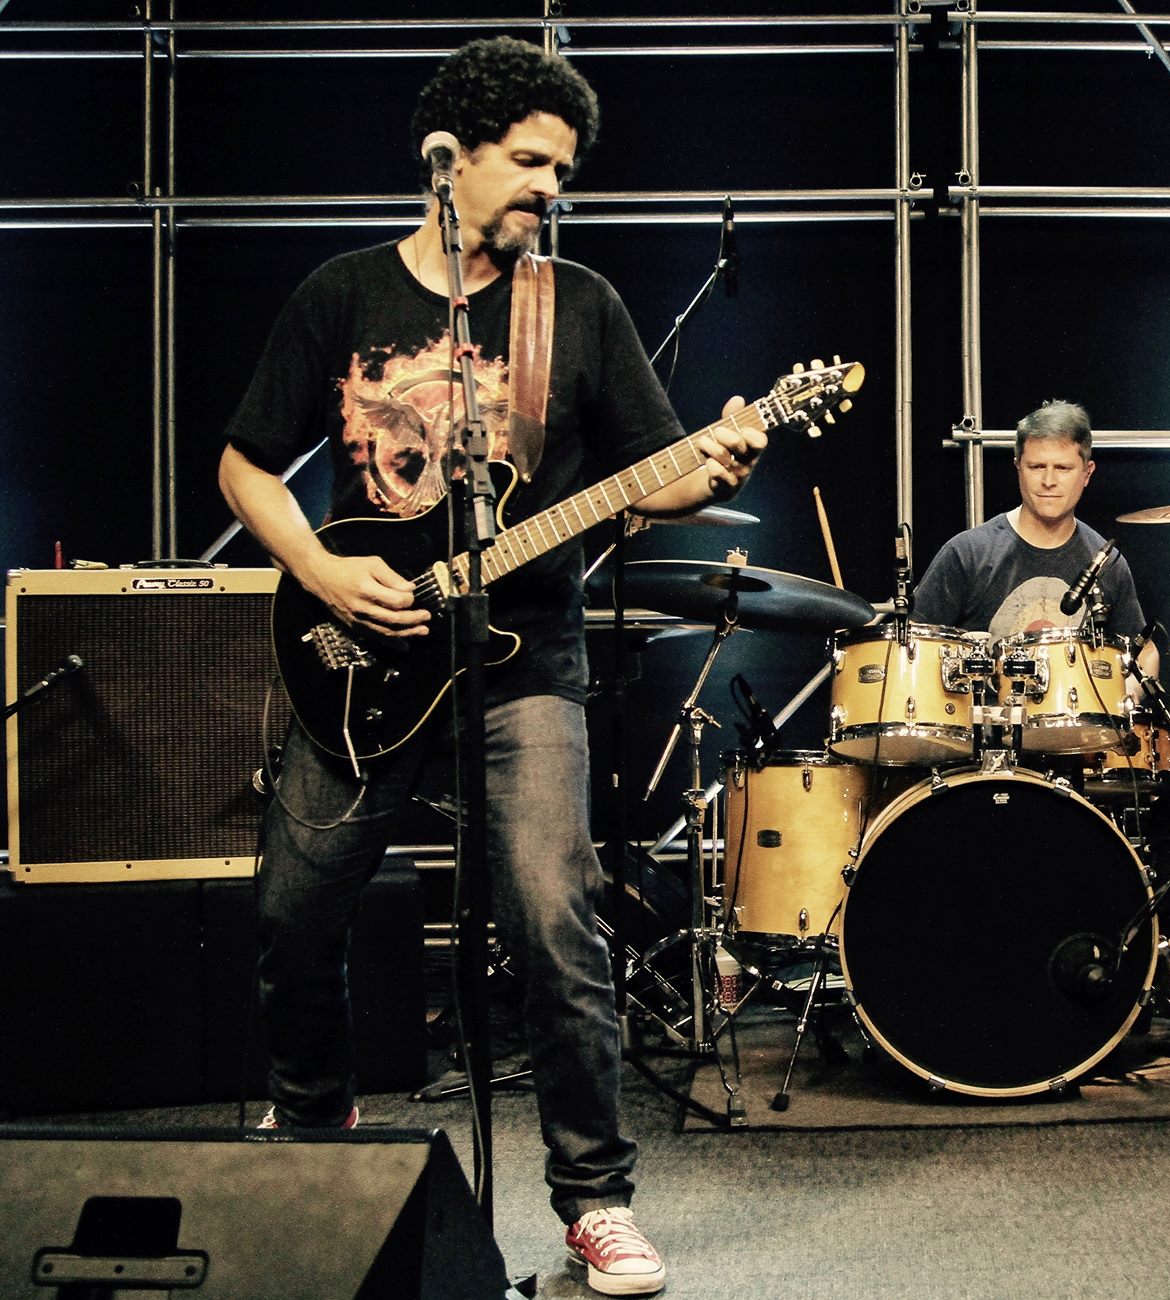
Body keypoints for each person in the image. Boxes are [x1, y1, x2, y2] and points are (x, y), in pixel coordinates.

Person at [218, 37, 764, 1297]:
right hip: (360, 655)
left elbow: (654, 473)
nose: (547, 189)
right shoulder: (342, 294)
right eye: (527, 162)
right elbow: (246, 463)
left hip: (524, 663)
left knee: (556, 921)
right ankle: (315, 1123)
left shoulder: (578, 306)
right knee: (292, 914)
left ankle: (595, 1198)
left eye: (561, 170)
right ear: (449, 158)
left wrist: (718, 460)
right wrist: (320, 568)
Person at [914, 400, 1159, 677]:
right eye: (1037, 466)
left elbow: (1144, 653)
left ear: (1087, 473)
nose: (1048, 481)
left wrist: (1130, 691)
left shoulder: (1106, 563)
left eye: (1063, 468)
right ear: (1018, 466)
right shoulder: (967, 553)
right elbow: (912, 649)